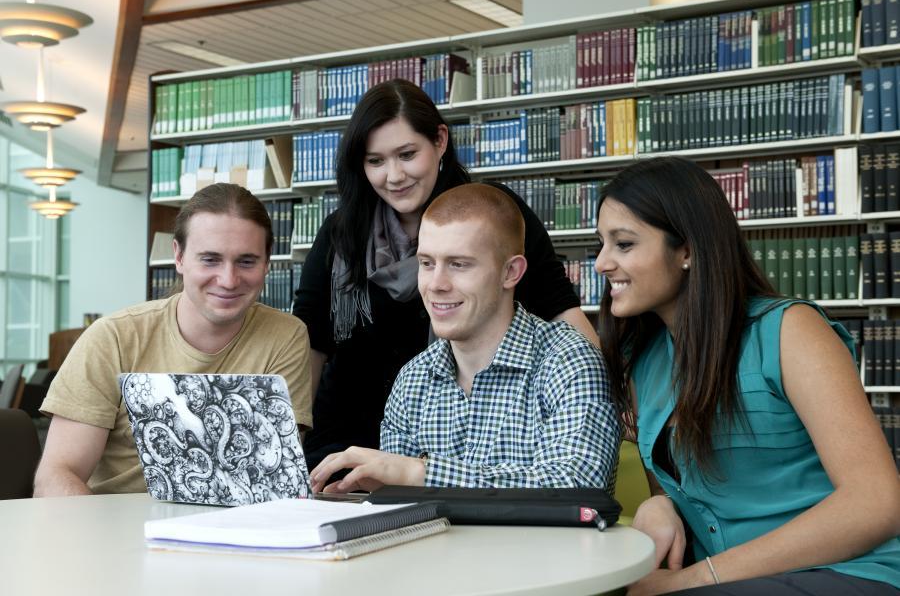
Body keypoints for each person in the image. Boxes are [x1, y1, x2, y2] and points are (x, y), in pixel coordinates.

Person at [593, 157, 900, 595]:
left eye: (623, 244)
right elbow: (680, 493)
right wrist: (661, 504)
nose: (602, 263)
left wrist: (696, 578)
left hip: (846, 572)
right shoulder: (644, 362)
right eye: (600, 243)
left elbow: (876, 504)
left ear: (687, 250)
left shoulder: (790, 331)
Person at [293, 78, 597, 469]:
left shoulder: (492, 215)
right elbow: (310, 344)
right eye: (375, 161)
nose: (394, 176)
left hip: (451, 447)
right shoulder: (341, 234)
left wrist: (599, 389)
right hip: (344, 443)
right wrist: (287, 447)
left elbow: (558, 305)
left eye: (407, 154)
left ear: (439, 141)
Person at [309, 183, 619, 493]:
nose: (436, 284)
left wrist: (420, 473)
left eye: (458, 264)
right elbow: (407, 508)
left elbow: (579, 487)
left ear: (511, 272)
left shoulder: (570, 363)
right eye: (426, 263)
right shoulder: (412, 380)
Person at [34, 184, 313, 496]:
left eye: (246, 261)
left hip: (233, 531)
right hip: (112, 527)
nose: (228, 279)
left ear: (267, 264)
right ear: (178, 257)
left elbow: (270, 477)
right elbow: (57, 476)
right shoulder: (113, 336)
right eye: (210, 259)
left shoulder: (286, 336)